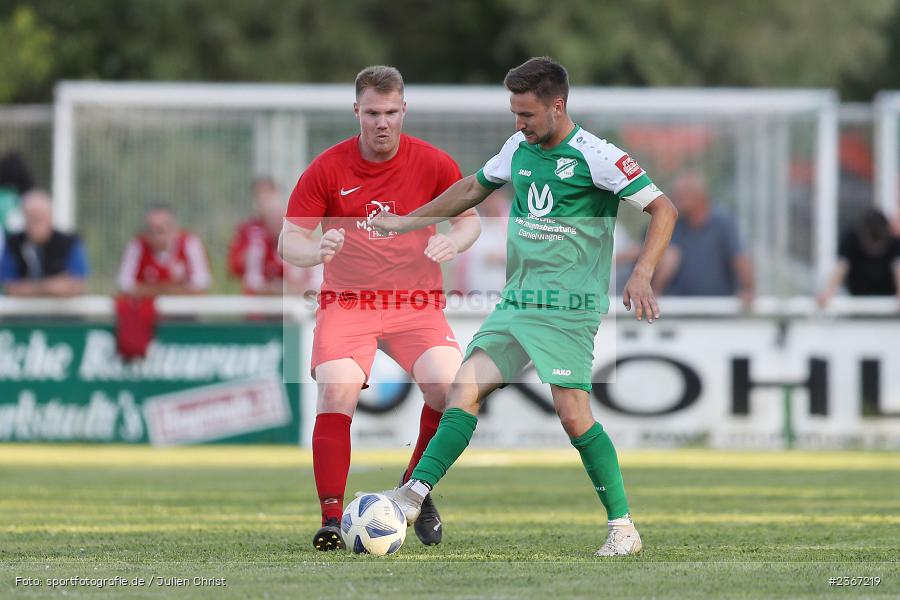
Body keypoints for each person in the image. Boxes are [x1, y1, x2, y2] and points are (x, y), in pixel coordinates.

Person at [368, 57, 678, 557]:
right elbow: (473, 188)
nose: (519, 124)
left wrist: (641, 272)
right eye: (514, 113)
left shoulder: (596, 156)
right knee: (462, 389)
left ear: (558, 106)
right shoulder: (518, 147)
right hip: (517, 300)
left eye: (527, 114)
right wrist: (410, 222)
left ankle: (623, 528)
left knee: (573, 415)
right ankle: (412, 495)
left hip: (568, 306)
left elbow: (664, 208)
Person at [278, 65, 481, 551]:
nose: (382, 122)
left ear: (404, 110)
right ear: (357, 112)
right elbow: (289, 240)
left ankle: (414, 490)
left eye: (391, 112)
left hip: (415, 304)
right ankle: (331, 519)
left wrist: (454, 242)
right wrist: (315, 250)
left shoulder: (433, 163)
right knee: (337, 391)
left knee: (452, 388)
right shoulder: (328, 167)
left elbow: (469, 221)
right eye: (372, 113)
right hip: (348, 303)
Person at [653, 172, 754, 305]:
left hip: (719, 307)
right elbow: (669, 258)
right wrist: (655, 290)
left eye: (680, 195)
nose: (674, 199)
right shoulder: (677, 223)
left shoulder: (724, 222)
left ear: (698, 195)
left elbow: (740, 258)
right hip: (681, 307)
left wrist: (747, 290)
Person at [229, 176, 321, 296]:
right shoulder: (253, 237)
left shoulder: (300, 238)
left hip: (295, 306)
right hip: (262, 307)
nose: (263, 199)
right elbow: (245, 275)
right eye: (259, 195)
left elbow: (314, 281)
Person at [0, 189, 89, 297]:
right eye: (32, 217)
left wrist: (28, 288)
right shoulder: (13, 243)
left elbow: (78, 286)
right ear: (24, 217)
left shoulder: (70, 242)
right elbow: (10, 288)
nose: (37, 222)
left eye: (41, 217)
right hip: (23, 313)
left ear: (50, 216)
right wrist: (52, 285)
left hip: (62, 313)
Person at [116, 204, 212, 296]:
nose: (155, 236)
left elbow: (202, 283)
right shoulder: (137, 245)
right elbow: (124, 285)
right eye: (150, 230)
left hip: (184, 310)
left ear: (174, 229)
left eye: (160, 230)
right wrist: (173, 290)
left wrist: (148, 290)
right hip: (147, 310)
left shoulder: (190, 243)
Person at [817, 208, 900, 307]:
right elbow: (841, 267)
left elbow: (898, 269)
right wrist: (828, 293)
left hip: (887, 299)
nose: (874, 249)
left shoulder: (894, 243)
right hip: (857, 298)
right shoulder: (850, 240)